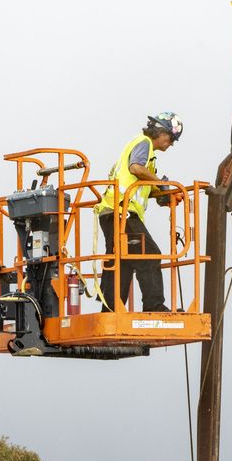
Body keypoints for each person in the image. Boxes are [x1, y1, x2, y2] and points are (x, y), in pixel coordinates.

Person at [96, 112, 182, 313]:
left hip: (114, 211)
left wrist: (164, 195)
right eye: (170, 138)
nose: (171, 144)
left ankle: (110, 311)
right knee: (150, 254)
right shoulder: (144, 143)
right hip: (121, 212)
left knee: (122, 261)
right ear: (159, 132)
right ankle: (154, 305)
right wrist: (161, 183)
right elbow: (135, 168)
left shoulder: (149, 155)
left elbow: (141, 186)